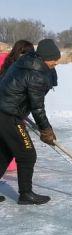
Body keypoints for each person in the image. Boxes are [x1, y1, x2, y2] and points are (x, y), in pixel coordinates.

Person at [0, 39, 61, 205]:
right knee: (27, 155)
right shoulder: (36, 74)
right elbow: (38, 108)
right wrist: (46, 130)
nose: (56, 62)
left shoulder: (27, 62)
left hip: (5, 112)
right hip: (8, 116)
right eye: (54, 59)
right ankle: (25, 194)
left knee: (6, 153)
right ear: (45, 57)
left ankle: (25, 193)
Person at [0, 40, 35, 174]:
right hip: (8, 112)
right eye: (25, 53)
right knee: (25, 153)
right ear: (19, 52)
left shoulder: (17, 65)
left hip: (12, 111)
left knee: (7, 148)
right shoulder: (13, 67)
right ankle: (25, 193)